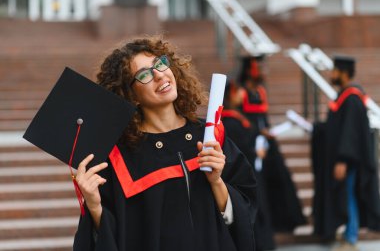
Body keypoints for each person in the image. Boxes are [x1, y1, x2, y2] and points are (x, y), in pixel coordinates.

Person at [72, 36, 257, 251]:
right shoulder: (120, 157)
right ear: (130, 95)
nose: (159, 75)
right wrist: (94, 205)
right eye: (144, 75)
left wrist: (216, 182)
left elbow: (245, 213)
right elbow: (116, 237)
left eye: (160, 64)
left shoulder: (209, 136)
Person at [311, 55, 380, 251]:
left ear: (343, 73)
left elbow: (350, 133)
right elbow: (338, 129)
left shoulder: (352, 98)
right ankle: (348, 235)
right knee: (345, 195)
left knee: (349, 195)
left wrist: (343, 159)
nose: (331, 74)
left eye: (334, 71)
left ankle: (351, 239)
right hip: (343, 158)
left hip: (348, 160)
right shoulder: (343, 98)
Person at [237, 55, 306, 232]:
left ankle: (282, 223)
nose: (262, 70)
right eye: (258, 67)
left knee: (278, 178)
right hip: (250, 143)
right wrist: (258, 132)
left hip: (266, 141)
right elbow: (242, 121)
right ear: (249, 70)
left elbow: (262, 118)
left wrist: (266, 131)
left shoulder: (260, 91)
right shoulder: (241, 93)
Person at [221, 81, 276, 251]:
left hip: (250, 170)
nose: (242, 94)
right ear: (230, 94)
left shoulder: (236, 116)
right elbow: (240, 149)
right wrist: (254, 152)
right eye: (238, 91)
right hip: (243, 174)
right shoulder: (229, 121)